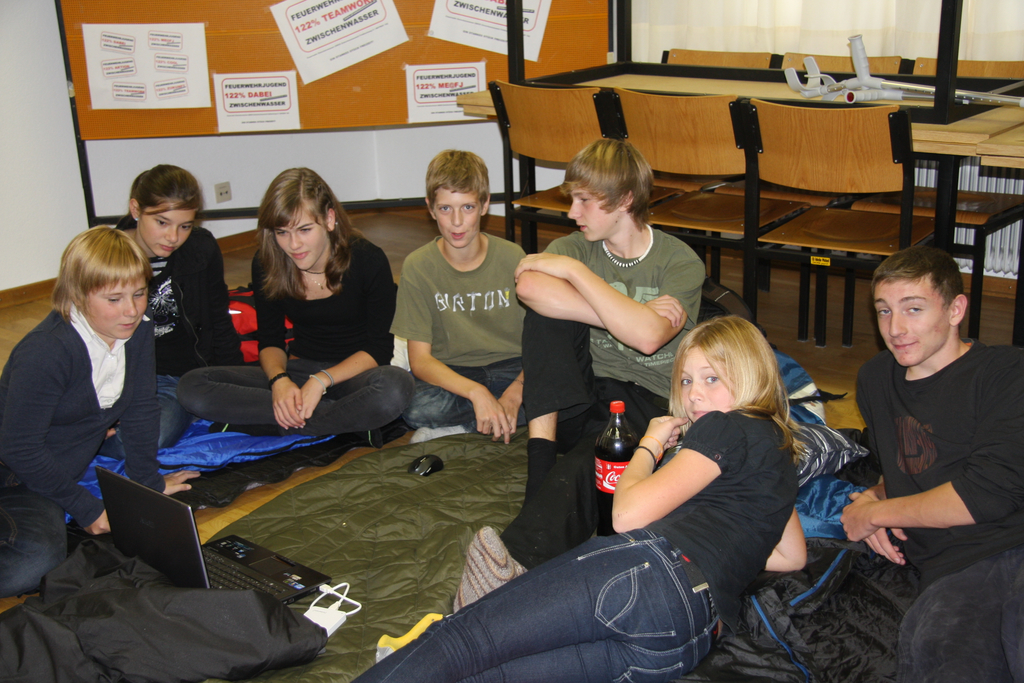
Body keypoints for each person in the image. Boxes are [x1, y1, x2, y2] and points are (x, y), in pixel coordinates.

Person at [352, 316, 806, 683]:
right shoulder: (782, 456)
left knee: (462, 642)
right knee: (491, 675)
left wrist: (649, 445)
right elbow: (790, 556)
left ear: (750, 376)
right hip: (691, 636)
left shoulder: (723, 427)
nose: (694, 395)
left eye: (711, 378)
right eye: (686, 380)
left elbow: (626, 515)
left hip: (648, 573)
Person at [482, 138, 704, 582]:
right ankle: (540, 468)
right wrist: (629, 313)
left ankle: (514, 559)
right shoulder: (577, 247)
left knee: (593, 460)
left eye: (584, 200)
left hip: (646, 403)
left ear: (625, 200)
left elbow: (648, 340)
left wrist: (577, 277)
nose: (572, 212)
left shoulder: (679, 262)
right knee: (543, 317)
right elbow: (528, 285)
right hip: (581, 397)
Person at [840, 245, 1024, 682]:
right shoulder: (875, 378)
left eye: (914, 309)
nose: (895, 328)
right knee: (944, 658)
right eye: (884, 311)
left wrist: (876, 514)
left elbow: (985, 496)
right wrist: (873, 497)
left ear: (956, 309)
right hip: (953, 568)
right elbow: (902, 467)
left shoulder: (1005, 372)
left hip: (1014, 540)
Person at [0, 227, 198, 598]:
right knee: (32, 563)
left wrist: (148, 484)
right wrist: (86, 508)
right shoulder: (46, 351)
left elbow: (141, 408)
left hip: (52, 468)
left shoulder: (136, 329)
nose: (132, 310)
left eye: (139, 293)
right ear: (77, 294)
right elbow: (19, 449)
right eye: (114, 299)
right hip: (14, 472)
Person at [177, 168, 414, 438]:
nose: (293, 245)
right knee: (193, 386)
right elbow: (271, 341)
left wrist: (321, 381)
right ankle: (336, 419)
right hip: (299, 370)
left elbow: (379, 349)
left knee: (396, 386)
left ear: (329, 219)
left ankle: (273, 422)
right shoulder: (267, 263)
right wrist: (279, 381)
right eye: (282, 232)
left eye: (304, 230)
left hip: (354, 375)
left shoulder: (367, 259)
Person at [105, 164, 242, 454]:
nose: (173, 237)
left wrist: (235, 378)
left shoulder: (201, 249)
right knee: (138, 437)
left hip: (184, 376)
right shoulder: (105, 257)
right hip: (122, 377)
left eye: (185, 226)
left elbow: (219, 318)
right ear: (136, 209)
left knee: (145, 439)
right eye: (162, 222)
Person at [392, 150, 526, 444]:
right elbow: (420, 361)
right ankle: (494, 416)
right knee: (414, 406)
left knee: (561, 387)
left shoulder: (512, 257)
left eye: (467, 207)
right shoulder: (417, 266)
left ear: (485, 205)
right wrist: (477, 393)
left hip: (512, 369)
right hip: (454, 375)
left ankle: (465, 426)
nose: (456, 221)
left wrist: (515, 393)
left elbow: (540, 341)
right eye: (445, 209)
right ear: (430, 208)